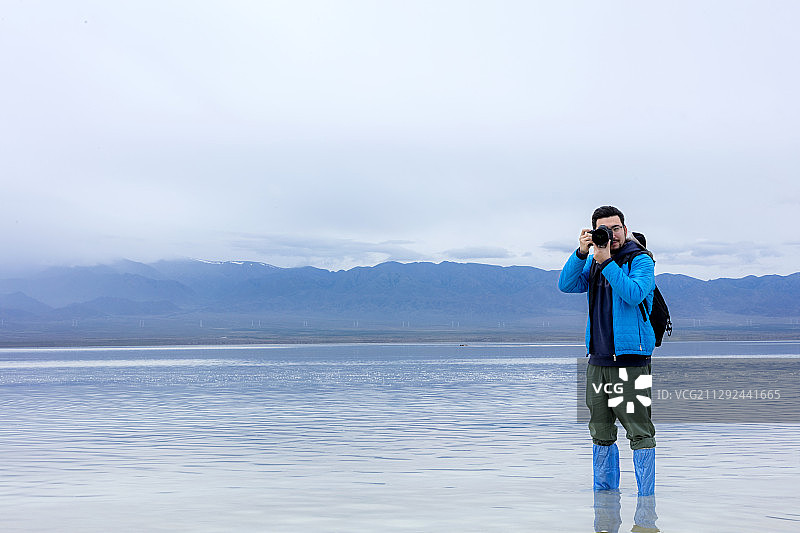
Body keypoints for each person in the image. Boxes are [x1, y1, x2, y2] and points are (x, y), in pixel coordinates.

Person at [558, 205, 656, 496]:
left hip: (631, 362)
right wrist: (580, 254)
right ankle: (605, 505)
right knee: (600, 433)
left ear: (625, 230)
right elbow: (566, 285)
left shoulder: (641, 260)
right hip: (598, 361)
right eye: (604, 229)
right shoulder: (592, 262)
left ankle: (646, 505)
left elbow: (634, 293)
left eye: (615, 228)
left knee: (639, 432)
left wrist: (607, 262)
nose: (611, 235)